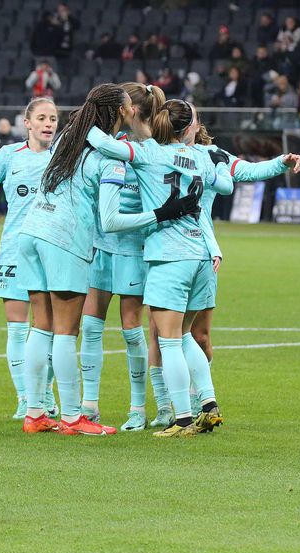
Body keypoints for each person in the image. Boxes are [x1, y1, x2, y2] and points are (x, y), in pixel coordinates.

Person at [17, 84, 201, 436]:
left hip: (32, 231)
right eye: (127, 106)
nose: (132, 111)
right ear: (119, 111)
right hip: (64, 239)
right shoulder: (110, 158)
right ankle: (73, 418)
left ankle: (35, 412)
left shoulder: (68, 138)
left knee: (40, 325)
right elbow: (112, 221)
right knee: (66, 332)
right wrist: (162, 213)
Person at [141, 106, 300, 424]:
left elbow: (248, 171)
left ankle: (194, 405)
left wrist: (280, 162)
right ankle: (166, 407)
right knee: (163, 333)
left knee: (196, 335)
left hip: (198, 250)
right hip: (170, 248)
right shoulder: (158, 153)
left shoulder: (211, 156)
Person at [86, 99, 235, 438]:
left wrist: (89, 118)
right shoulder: (200, 155)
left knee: (169, 341)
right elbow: (225, 185)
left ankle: (182, 420)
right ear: (188, 128)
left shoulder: (149, 153)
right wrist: (224, 165)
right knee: (184, 336)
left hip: (170, 256)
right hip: (200, 254)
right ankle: (208, 403)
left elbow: (105, 144)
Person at [0, 98, 61, 423]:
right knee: (17, 329)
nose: (49, 123)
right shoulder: (8, 155)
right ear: (27, 123)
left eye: (53, 118)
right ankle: (25, 398)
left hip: (52, 250)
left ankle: (45, 394)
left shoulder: (63, 157)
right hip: (15, 250)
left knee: (49, 329)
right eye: (42, 118)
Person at [78, 83, 165, 431]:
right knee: (91, 326)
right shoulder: (116, 143)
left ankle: (137, 408)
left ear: (131, 111)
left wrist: (83, 119)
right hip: (101, 246)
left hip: (132, 249)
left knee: (131, 329)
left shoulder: (150, 150)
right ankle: (89, 405)